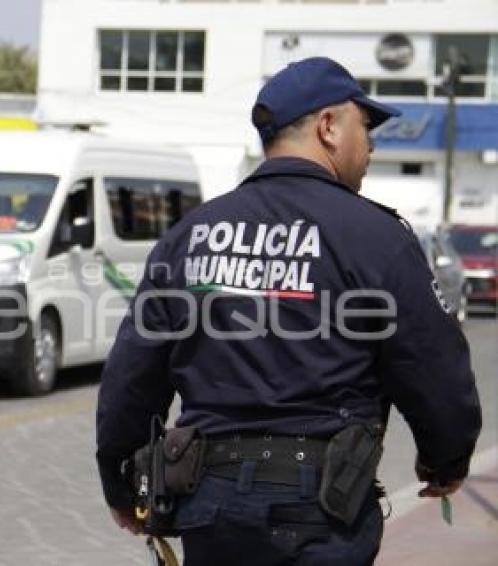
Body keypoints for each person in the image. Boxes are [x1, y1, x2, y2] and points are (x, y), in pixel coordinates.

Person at [96, 57, 481, 565]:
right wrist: (445, 458)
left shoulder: (192, 234)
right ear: (328, 127)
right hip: (323, 509)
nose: (371, 145)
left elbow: (132, 375)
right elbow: (432, 365)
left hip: (212, 507)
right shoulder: (375, 237)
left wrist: (123, 486)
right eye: (364, 127)